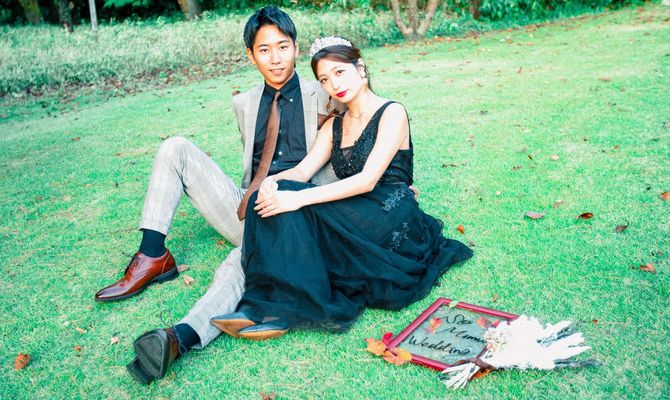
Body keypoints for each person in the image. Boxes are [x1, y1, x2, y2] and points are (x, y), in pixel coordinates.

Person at [93, 6, 341, 384]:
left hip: (296, 215)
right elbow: (254, 164)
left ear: (295, 47)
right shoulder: (243, 102)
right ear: (251, 55)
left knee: (234, 265)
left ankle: (179, 337)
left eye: (282, 47)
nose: (275, 58)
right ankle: (153, 256)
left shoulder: (323, 94)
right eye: (264, 50)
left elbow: (359, 136)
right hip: (247, 204)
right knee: (175, 147)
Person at [212, 37, 473, 341]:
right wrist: (272, 182)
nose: (333, 84)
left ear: (360, 69)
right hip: (355, 205)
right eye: (324, 79)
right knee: (263, 196)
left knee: (295, 206)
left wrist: (297, 198)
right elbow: (303, 170)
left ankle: (282, 309)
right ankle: (259, 305)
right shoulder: (334, 125)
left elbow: (368, 180)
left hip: (389, 210)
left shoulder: (392, 112)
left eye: (339, 72)